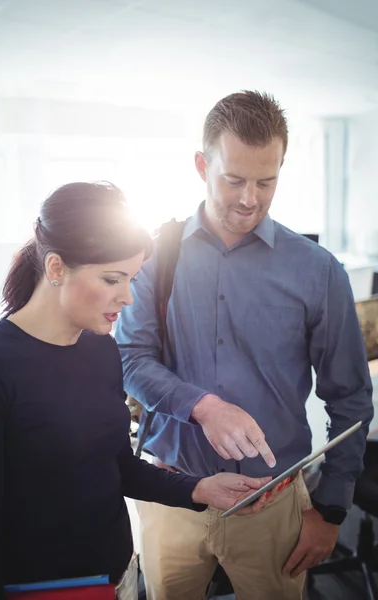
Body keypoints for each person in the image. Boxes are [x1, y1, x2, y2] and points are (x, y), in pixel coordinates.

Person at [115, 91, 375, 600]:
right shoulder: (153, 254)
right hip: (173, 493)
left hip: (273, 499)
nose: (249, 198)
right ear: (201, 165)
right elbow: (129, 359)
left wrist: (332, 511)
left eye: (266, 180)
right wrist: (204, 408)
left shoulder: (318, 271)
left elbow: (351, 398)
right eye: (233, 179)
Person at [0, 182, 280, 600]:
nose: (128, 296)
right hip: (39, 587)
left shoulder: (101, 348)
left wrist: (199, 488)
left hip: (116, 574)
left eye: (133, 278)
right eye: (112, 279)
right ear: (56, 268)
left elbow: (115, 465)